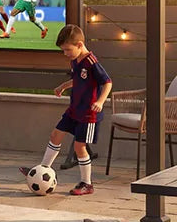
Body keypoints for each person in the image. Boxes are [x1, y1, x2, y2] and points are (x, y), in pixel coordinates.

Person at [20, 24, 112, 195]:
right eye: (63, 50)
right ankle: (43, 169)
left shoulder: (91, 62)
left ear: (79, 45)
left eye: (68, 50)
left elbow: (107, 82)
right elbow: (78, 80)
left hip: (88, 114)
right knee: (55, 135)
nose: (66, 54)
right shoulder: (75, 60)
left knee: (79, 147)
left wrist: (100, 101)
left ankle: (87, 184)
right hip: (74, 109)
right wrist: (64, 85)